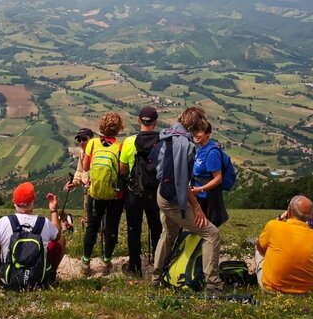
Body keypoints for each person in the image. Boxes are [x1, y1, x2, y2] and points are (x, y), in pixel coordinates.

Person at [151, 106, 223, 293]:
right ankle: (213, 284)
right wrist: (196, 208)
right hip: (173, 199)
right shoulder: (185, 144)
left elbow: (159, 168)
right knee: (211, 234)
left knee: (168, 234)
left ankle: (155, 278)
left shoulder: (168, 133)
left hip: (162, 193)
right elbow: (182, 182)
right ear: (197, 125)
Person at [0, 182, 65, 284]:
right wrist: (53, 210)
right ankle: (50, 276)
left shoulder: (4, 222)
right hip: (38, 281)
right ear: (33, 201)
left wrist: (1, 260)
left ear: (13, 202)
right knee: (61, 239)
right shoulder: (44, 222)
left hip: (8, 281)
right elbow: (57, 236)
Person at [79, 112, 126, 276]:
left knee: (92, 226)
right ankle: (106, 262)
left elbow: (85, 167)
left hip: (95, 192)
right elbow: (121, 171)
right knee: (111, 227)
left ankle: (85, 263)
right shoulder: (120, 146)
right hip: (115, 195)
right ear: (119, 129)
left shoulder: (92, 143)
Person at [118, 106, 162, 277]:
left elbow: (122, 170)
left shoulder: (129, 142)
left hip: (134, 193)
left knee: (133, 230)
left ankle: (134, 267)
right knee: (157, 229)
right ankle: (159, 266)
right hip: (155, 194)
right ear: (155, 122)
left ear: (139, 121)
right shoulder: (161, 140)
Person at [255, 195, 313, 294]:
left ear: (289, 211)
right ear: (311, 215)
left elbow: (261, 249)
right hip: (306, 291)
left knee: (259, 245)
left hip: (272, 288)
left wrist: (279, 219)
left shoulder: (273, 225)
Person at [191, 122, 229, 227]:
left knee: (205, 229)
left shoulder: (212, 153)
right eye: (194, 131)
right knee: (197, 228)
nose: (196, 134)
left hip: (207, 199)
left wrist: (200, 189)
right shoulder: (200, 149)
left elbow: (218, 179)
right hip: (198, 196)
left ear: (208, 134)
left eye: (199, 131)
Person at [66, 127, 94, 228]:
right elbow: (80, 171)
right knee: (88, 214)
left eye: (84, 139)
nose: (81, 142)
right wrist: (74, 183)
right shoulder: (82, 153)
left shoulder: (95, 152)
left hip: (96, 187)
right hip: (87, 188)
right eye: (79, 140)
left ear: (91, 139)